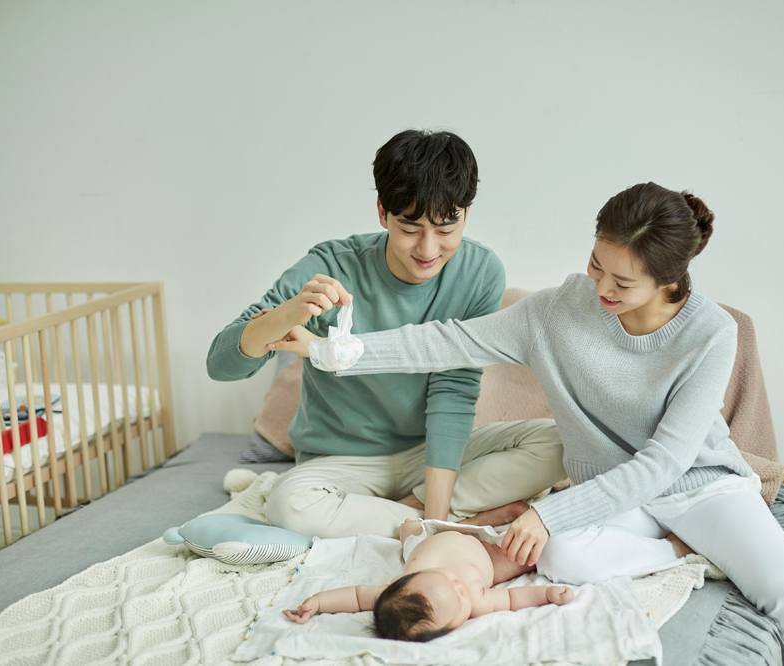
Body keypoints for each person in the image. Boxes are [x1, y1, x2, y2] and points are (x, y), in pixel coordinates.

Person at [274, 182, 784, 665]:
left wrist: (548, 514)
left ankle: (701, 546)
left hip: (698, 488)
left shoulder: (712, 332)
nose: (601, 289)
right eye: (597, 265)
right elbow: (448, 341)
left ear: (667, 280)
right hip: (608, 492)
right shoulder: (555, 311)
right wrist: (333, 352)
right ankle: (683, 553)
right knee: (559, 558)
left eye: (622, 283)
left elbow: (666, 462)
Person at [206, 129, 567, 540]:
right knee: (289, 504)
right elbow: (221, 366)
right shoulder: (332, 266)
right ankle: (458, 520)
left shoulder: (480, 272)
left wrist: (433, 512)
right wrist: (287, 313)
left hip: (429, 455)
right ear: (383, 212)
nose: (428, 249)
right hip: (341, 462)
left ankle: (414, 514)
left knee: (561, 444)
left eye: (445, 229)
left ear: (466, 214)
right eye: (410, 228)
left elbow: (453, 391)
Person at [283, 517, 577, 642]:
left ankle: (447, 522)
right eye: (460, 596)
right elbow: (512, 598)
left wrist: (318, 602)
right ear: (452, 627)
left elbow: (356, 596)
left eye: (446, 579)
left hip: (427, 541)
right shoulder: (477, 601)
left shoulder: (395, 589)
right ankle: (498, 520)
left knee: (409, 528)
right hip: (484, 553)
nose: (459, 584)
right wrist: (547, 594)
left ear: (409, 578)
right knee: (524, 556)